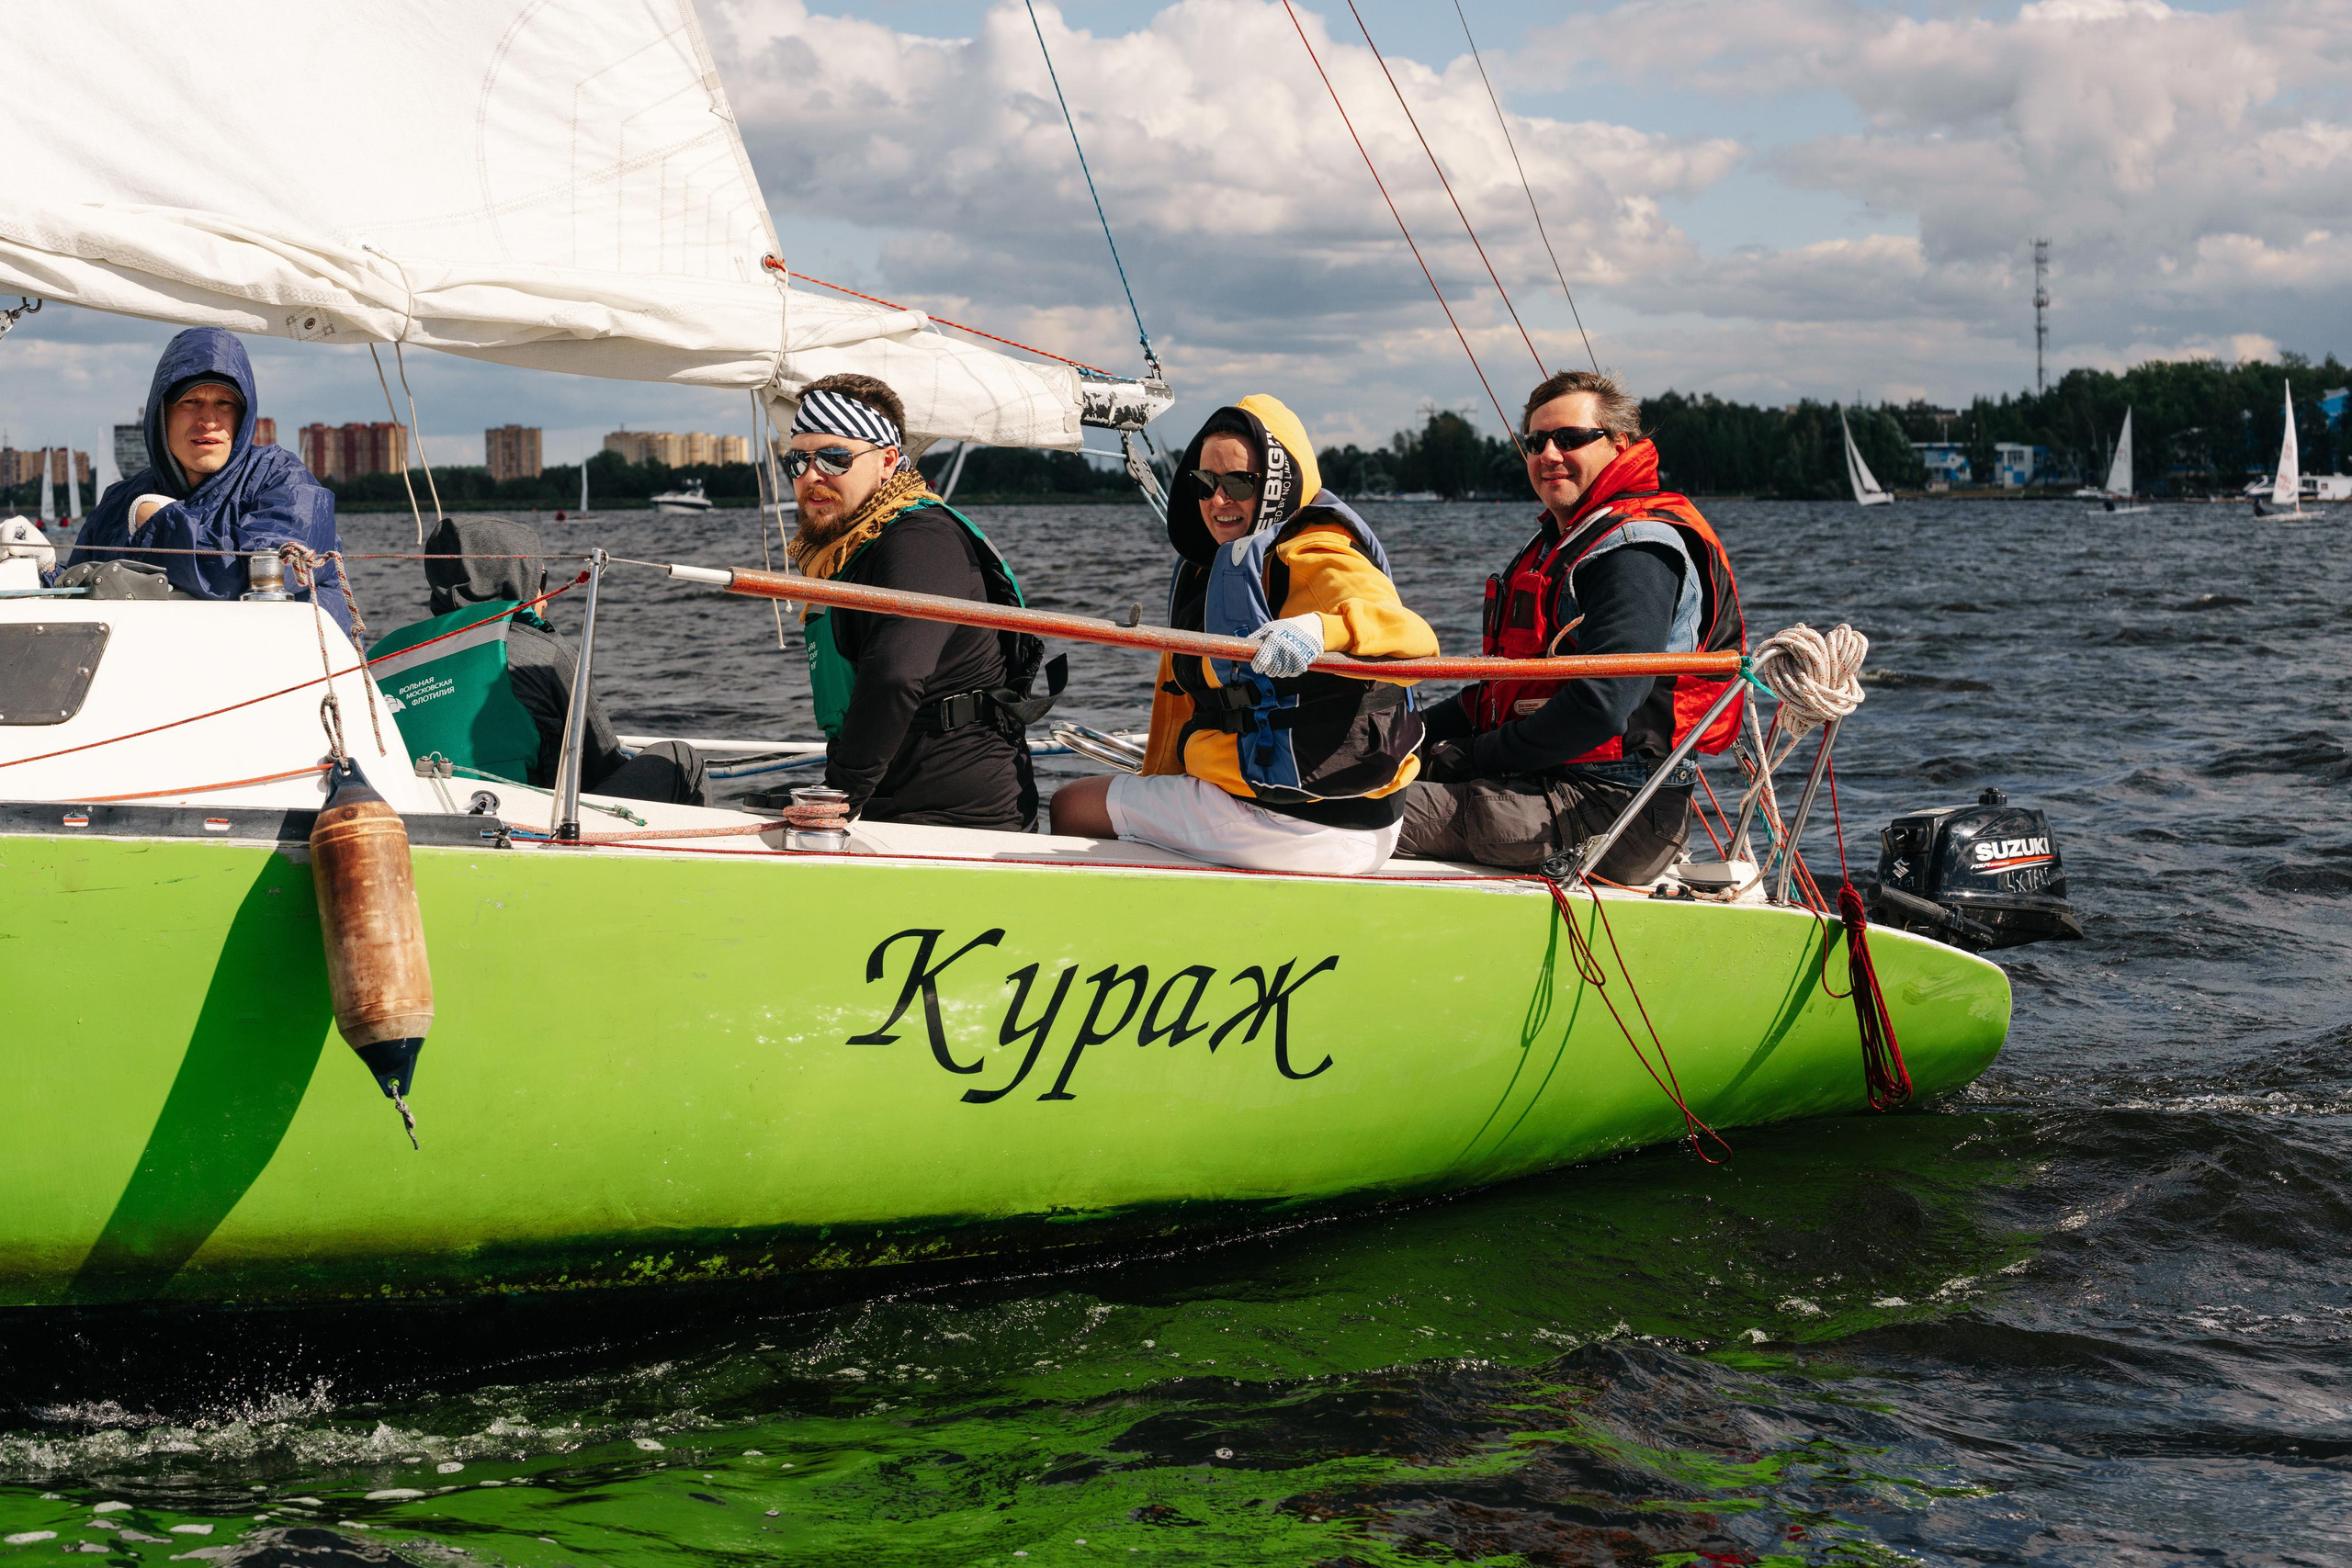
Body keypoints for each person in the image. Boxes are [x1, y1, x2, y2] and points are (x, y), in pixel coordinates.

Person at [1049, 395, 1436, 874]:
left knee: (1069, 805)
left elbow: (1412, 633)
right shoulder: (1220, 564)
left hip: (1296, 821)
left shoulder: (1316, 552)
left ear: (1279, 480)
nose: (1217, 499)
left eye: (1238, 482)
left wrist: (1319, 629)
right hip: (1358, 818)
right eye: (1205, 481)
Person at [1396, 370, 1745, 879]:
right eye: (1536, 442)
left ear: (1619, 445)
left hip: (1613, 812)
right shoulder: (1563, 541)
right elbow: (1503, 690)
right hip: (1549, 784)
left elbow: (1602, 707)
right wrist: (1413, 735)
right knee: (1347, 773)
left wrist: (1472, 756)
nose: (1548, 454)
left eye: (1571, 438)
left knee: (1350, 810)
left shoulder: (1635, 552)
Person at [786, 374, 1058, 829]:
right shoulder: (855, 546)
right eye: (798, 461)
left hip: (959, 816)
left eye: (835, 458)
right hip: (892, 798)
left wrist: (837, 802)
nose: (813, 475)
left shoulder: (920, 541)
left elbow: (895, 674)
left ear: (888, 461)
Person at [65, 327, 349, 629]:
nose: (209, 421)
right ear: (162, 413)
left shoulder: (285, 480)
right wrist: (33, 566)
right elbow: (72, 593)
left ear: (243, 416)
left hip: (291, 669)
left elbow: (249, 577)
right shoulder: (117, 502)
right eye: (190, 402)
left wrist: (158, 523)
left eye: (225, 404)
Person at [417, 515, 706, 805]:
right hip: (528, 826)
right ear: (517, 579)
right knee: (683, 761)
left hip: (419, 820)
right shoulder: (543, 654)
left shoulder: (382, 659)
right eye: (539, 580)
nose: (545, 599)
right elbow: (601, 766)